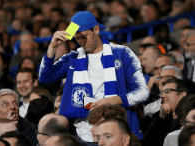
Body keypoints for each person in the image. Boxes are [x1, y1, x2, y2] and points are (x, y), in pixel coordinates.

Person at [39, 11, 149, 142]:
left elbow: (143, 92)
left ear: (96, 30)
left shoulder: (122, 54)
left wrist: (115, 100)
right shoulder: (73, 58)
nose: (81, 42)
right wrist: (52, 47)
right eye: (77, 38)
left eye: (84, 36)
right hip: (82, 135)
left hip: (116, 132)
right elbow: (45, 78)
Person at [142, 78, 188, 146]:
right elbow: (147, 143)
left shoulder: (190, 116)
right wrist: (161, 118)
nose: (162, 96)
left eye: (167, 91)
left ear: (182, 95)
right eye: (162, 93)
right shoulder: (158, 116)